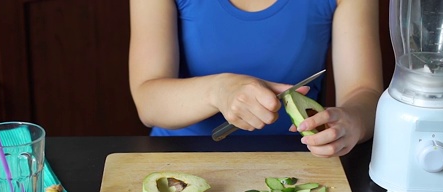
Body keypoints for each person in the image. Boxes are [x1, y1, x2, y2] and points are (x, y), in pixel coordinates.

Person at [129, 0, 383, 157]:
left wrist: (352, 122)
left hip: (300, 165)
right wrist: (218, 91)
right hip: (179, 157)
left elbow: (365, 92)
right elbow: (148, 101)